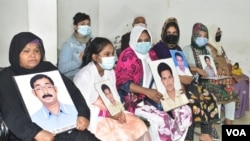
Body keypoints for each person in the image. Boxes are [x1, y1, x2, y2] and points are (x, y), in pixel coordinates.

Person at [0, 32, 100, 141]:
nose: (32, 55)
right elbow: (11, 110)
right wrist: (34, 133)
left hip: (66, 128)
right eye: (26, 51)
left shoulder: (48, 68)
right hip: (28, 134)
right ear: (16, 53)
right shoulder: (7, 76)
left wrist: (83, 114)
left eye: (37, 50)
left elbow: (73, 92)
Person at [115, 25, 192, 141]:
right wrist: (147, 92)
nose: (144, 43)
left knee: (185, 111)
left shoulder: (151, 54)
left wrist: (178, 86)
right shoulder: (128, 55)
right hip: (135, 101)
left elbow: (161, 73)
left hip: (155, 95)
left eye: (146, 40)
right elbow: (123, 83)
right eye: (139, 40)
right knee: (162, 119)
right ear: (133, 40)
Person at [149, 18, 219, 141]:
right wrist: (179, 79)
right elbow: (157, 71)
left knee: (208, 96)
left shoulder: (178, 49)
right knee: (192, 102)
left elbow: (185, 68)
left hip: (186, 82)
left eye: (174, 33)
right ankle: (188, 137)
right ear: (163, 32)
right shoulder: (157, 49)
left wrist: (189, 75)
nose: (171, 35)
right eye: (169, 32)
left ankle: (205, 134)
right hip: (170, 84)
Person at [73, 37, 151, 141]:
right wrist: (107, 114)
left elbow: (115, 96)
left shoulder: (110, 72)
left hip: (112, 111)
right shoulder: (84, 76)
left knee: (139, 125)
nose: (112, 57)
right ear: (95, 57)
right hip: (94, 118)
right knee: (121, 135)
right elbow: (82, 108)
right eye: (107, 54)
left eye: (113, 54)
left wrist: (119, 112)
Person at [183, 23, 237, 140]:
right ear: (193, 35)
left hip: (210, 80)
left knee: (229, 90)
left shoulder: (207, 49)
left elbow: (214, 63)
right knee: (213, 94)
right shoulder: (186, 50)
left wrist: (218, 68)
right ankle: (210, 128)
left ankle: (229, 124)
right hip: (196, 82)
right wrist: (196, 69)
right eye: (199, 35)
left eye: (205, 36)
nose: (202, 38)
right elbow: (182, 67)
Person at [207, 24, 249, 119]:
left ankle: (239, 111)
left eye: (220, 33)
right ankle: (232, 112)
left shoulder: (219, 46)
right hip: (219, 74)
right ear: (212, 33)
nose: (219, 35)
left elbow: (226, 59)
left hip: (228, 71)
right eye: (217, 33)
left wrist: (231, 66)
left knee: (245, 78)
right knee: (240, 83)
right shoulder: (208, 48)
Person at [58, 12, 92, 80]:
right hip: (73, 78)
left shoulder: (92, 40)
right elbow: (61, 68)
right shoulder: (68, 45)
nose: (86, 27)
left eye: (88, 24)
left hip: (89, 75)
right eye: (82, 24)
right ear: (75, 27)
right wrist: (78, 61)